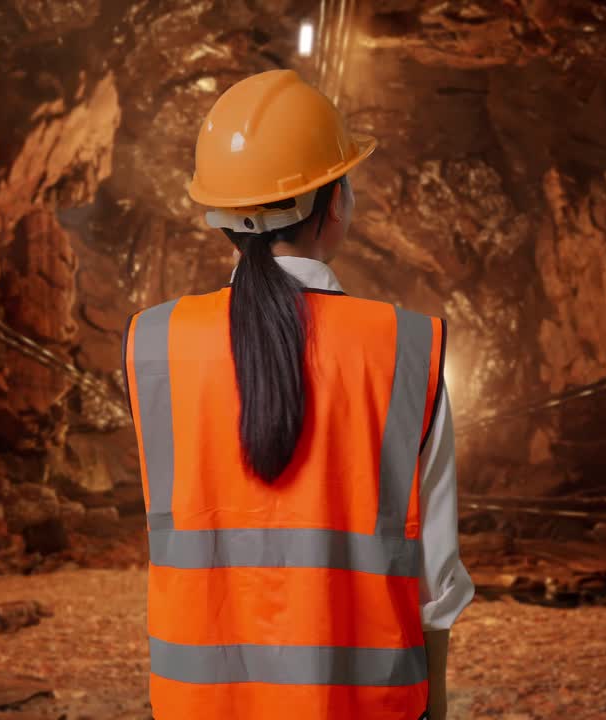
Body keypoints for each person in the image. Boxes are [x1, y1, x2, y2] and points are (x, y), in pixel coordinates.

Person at [124, 69, 473, 720]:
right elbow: (437, 575)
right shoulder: (406, 350)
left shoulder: (152, 344)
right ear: (334, 205)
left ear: (221, 216)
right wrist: (440, 700)